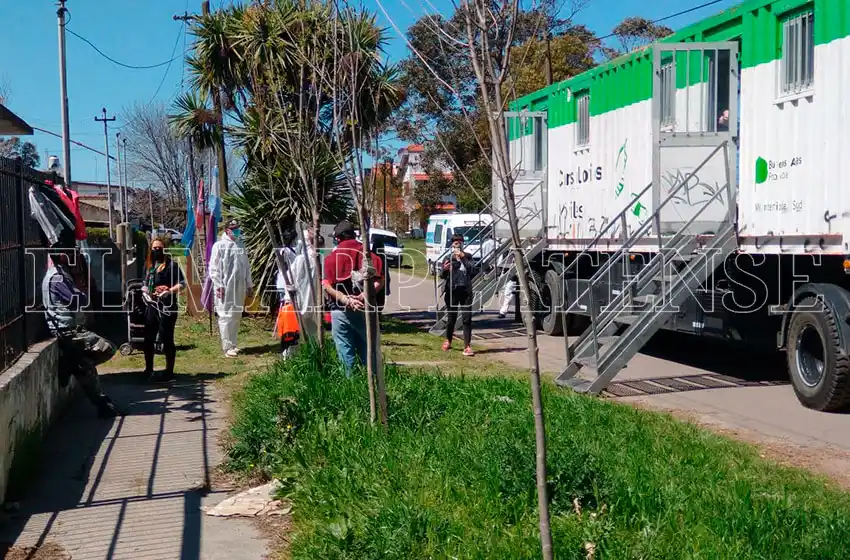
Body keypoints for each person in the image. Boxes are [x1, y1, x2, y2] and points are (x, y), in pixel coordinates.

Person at [43, 247, 122, 418]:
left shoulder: (59, 274)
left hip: (67, 328)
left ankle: (102, 404)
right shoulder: (58, 278)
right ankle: (72, 363)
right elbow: (78, 300)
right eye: (70, 255)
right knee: (108, 348)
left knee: (85, 367)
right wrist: (80, 290)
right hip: (67, 330)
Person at [322, 220, 384, 377]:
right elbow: (379, 280)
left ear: (337, 238)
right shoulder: (368, 255)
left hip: (340, 310)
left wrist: (346, 300)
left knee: (345, 355)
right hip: (365, 310)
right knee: (369, 352)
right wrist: (363, 296)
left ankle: (351, 389)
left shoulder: (331, 258)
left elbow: (327, 285)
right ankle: (372, 386)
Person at [142, 236, 186, 382]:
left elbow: (182, 284)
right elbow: (144, 282)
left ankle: (169, 372)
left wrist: (169, 291)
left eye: (159, 248)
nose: (156, 251)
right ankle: (148, 370)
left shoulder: (171, 266)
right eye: (154, 248)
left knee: (167, 338)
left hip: (167, 306)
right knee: (148, 338)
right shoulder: (149, 266)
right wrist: (145, 292)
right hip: (151, 305)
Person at [209, 219, 254, 357]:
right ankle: (227, 346)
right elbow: (214, 268)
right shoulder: (219, 245)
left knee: (236, 315)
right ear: (227, 230)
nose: (237, 231)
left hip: (239, 286)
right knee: (225, 315)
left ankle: (233, 344)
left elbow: (246, 266)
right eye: (234, 228)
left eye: (237, 228)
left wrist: (249, 284)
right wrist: (218, 285)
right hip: (225, 287)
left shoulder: (240, 245)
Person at [441, 233, 475, 356]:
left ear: (462, 244)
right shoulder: (448, 258)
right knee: (451, 318)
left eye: (459, 242)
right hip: (452, 291)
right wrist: (444, 270)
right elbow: (442, 276)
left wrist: (463, 258)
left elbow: (473, 271)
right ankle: (448, 340)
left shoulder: (469, 256)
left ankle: (467, 346)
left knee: (467, 319)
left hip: (465, 291)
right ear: (452, 245)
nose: (457, 244)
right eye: (455, 242)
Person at [498, 241, 517, 319]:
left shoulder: (513, 252)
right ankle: (505, 310)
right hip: (506, 273)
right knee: (506, 292)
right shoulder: (504, 252)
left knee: (508, 292)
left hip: (512, 275)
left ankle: (503, 311)